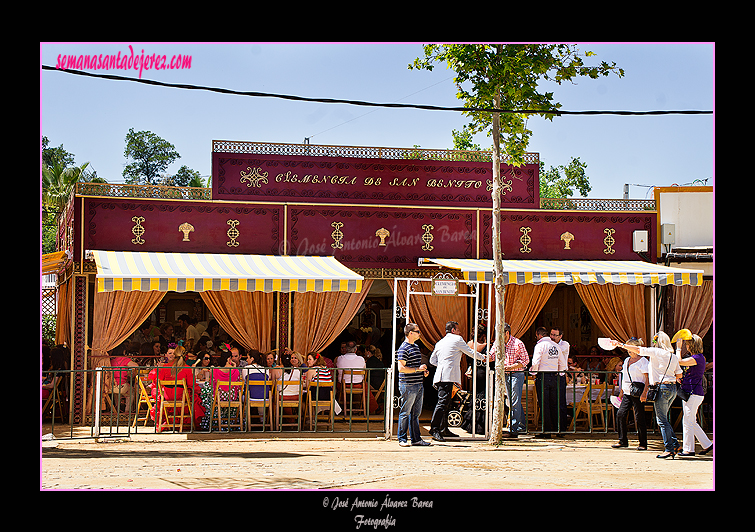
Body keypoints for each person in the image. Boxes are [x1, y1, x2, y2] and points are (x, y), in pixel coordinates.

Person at [610, 331, 682, 459]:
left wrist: (620, 344)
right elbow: (679, 375)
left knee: (662, 420)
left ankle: (669, 448)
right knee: (663, 418)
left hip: (662, 386)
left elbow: (638, 349)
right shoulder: (673, 356)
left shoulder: (656, 352)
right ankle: (675, 444)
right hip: (672, 387)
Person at [429, 321, 487, 442]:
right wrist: (483, 357)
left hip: (440, 375)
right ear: (453, 331)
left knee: (446, 403)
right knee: (443, 402)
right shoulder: (457, 339)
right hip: (448, 376)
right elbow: (470, 352)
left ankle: (444, 428)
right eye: (458, 329)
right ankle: (434, 428)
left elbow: (432, 360)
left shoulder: (440, 342)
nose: (460, 332)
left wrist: (442, 365)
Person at [148, 343, 205, 431]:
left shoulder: (165, 367)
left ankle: (167, 421)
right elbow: (191, 385)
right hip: (181, 397)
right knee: (195, 397)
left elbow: (158, 381)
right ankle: (187, 423)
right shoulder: (186, 368)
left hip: (166, 397)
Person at [675, 333, 713, 457]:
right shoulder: (698, 358)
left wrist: (678, 348)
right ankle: (707, 444)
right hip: (692, 392)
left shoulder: (697, 358)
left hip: (693, 393)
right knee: (691, 421)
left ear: (692, 346)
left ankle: (688, 449)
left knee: (688, 421)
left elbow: (679, 361)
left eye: (688, 344)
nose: (687, 346)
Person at [492, 323, 529, 439]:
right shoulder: (498, 342)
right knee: (514, 400)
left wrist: (511, 367)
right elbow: (492, 355)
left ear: (506, 333)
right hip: (505, 374)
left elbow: (525, 360)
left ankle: (513, 430)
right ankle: (521, 426)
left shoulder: (518, 343)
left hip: (516, 374)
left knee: (514, 401)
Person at [612, 338, 649, 451]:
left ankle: (643, 442)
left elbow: (647, 378)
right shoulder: (627, 360)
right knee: (621, 414)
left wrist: (644, 392)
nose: (629, 351)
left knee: (639, 417)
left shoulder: (643, 361)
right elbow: (625, 377)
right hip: (628, 391)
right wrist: (622, 392)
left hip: (638, 391)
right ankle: (622, 440)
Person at [396, 323, 430, 447]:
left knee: (415, 413)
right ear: (411, 333)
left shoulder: (415, 347)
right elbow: (401, 368)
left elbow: (415, 366)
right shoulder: (403, 348)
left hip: (418, 384)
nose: (420, 334)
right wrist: (418, 369)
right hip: (408, 385)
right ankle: (402, 438)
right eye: (418, 331)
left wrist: (423, 371)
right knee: (405, 412)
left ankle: (416, 439)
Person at [530, 327, 566, 437]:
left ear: (539, 335)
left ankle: (546, 431)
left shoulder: (540, 346)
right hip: (555, 377)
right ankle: (557, 429)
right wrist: (558, 373)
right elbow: (562, 364)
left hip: (543, 376)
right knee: (554, 404)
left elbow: (536, 361)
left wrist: (533, 373)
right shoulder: (556, 346)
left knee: (544, 404)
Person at [550, 327, 570, 433]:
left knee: (561, 402)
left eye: (555, 335)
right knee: (552, 402)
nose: (552, 337)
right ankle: (554, 426)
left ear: (560, 336)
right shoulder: (550, 343)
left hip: (560, 375)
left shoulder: (565, 345)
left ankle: (562, 428)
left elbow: (557, 351)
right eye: (551, 334)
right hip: (552, 374)